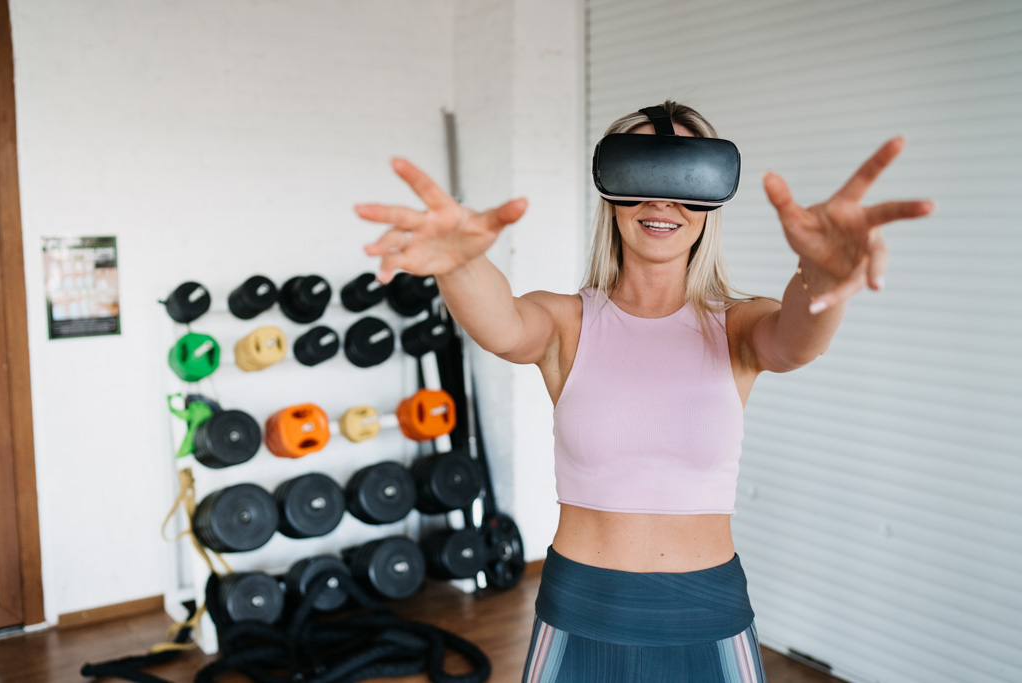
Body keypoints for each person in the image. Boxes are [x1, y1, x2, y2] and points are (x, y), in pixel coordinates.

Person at [355, 101, 934, 682]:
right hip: (579, 607)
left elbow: (797, 341)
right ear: (609, 192)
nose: (663, 202)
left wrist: (822, 275)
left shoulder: (736, 326)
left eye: (686, 181)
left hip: (707, 610)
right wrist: (458, 265)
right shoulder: (566, 323)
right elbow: (503, 325)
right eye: (640, 177)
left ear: (712, 202)